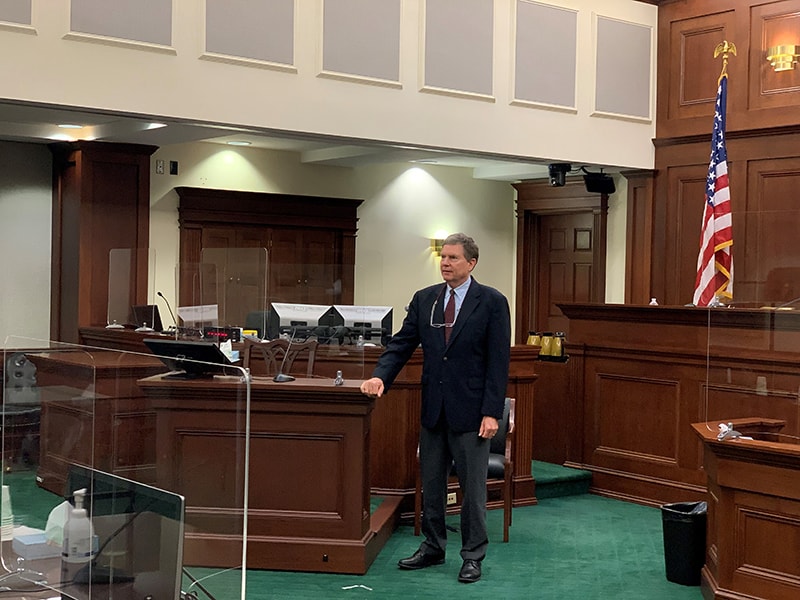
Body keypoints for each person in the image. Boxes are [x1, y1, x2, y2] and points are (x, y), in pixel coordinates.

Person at [360, 232, 511, 584]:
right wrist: (381, 376)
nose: (445, 263)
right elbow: (401, 344)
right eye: (443, 257)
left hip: (472, 413)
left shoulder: (491, 302)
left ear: (471, 263)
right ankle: (433, 546)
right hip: (433, 409)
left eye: (453, 258)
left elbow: (498, 362)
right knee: (432, 484)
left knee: (473, 491)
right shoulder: (425, 299)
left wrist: (491, 412)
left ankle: (472, 555)